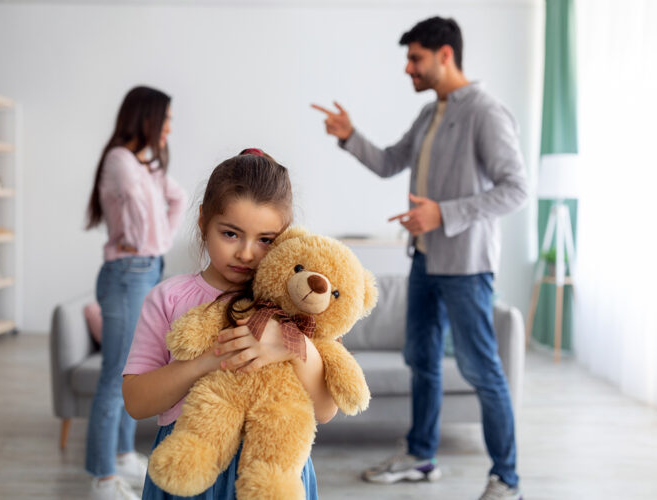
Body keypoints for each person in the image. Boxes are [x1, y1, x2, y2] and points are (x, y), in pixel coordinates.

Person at [312, 16, 527, 500]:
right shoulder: (432, 113)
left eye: (416, 59)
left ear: (445, 55)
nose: (408, 68)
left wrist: (443, 214)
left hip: (467, 268)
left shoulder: (486, 113)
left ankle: (506, 479)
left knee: (482, 370)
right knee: (422, 361)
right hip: (425, 263)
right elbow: (390, 161)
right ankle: (421, 456)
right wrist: (349, 135)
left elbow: (517, 189)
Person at [122, 149, 337, 500]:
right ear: (204, 221)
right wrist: (209, 358)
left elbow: (326, 410)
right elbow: (135, 402)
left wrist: (290, 343)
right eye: (231, 234)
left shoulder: (299, 301)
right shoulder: (169, 298)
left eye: (266, 240)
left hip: (274, 472)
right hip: (191, 466)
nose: (247, 253)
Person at [85, 86, 188, 500]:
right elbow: (148, 233)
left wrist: (159, 241)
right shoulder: (120, 162)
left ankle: (124, 452)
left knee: (135, 370)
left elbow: (177, 199)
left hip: (144, 268)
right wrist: (159, 241)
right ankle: (102, 478)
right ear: (145, 118)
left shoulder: (142, 166)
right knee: (114, 378)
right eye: (165, 119)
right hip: (128, 271)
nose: (169, 127)